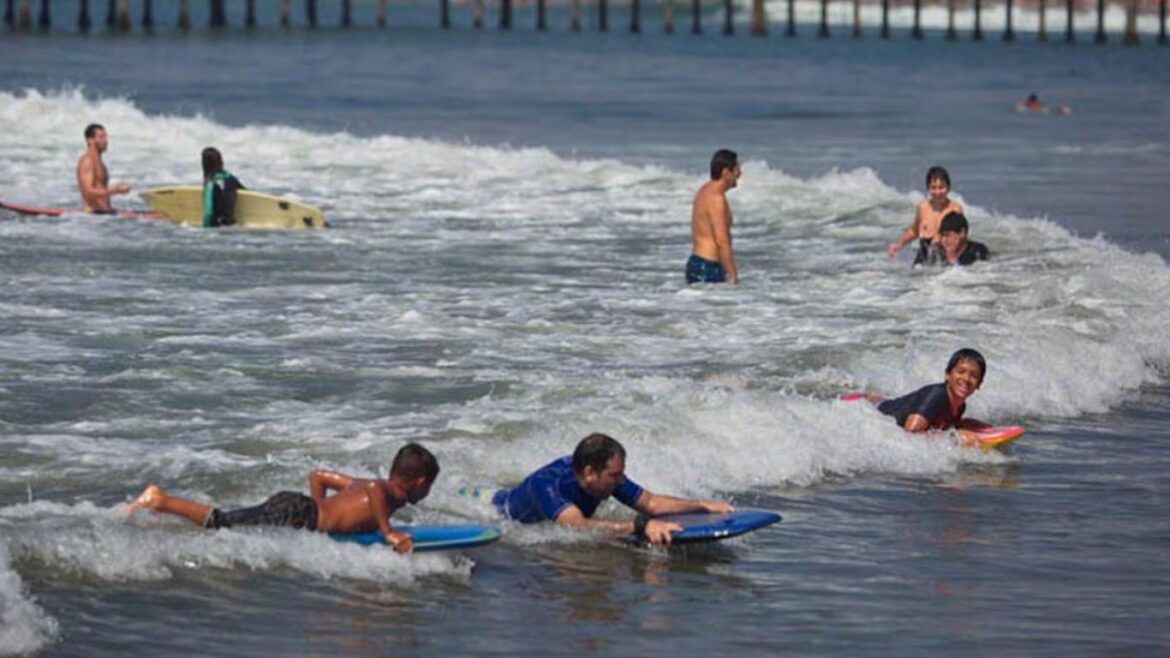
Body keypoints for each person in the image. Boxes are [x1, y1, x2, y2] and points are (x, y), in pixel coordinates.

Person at [127, 443, 439, 554]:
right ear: (420, 482)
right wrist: (388, 533)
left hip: (300, 508)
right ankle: (160, 500)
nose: (427, 494)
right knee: (222, 524)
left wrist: (318, 508)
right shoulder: (388, 491)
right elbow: (374, 489)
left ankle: (161, 505)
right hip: (299, 514)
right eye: (429, 488)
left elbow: (318, 475)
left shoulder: (366, 486)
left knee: (231, 524)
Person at [491, 433, 733, 545]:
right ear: (589, 472)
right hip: (497, 512)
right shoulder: (547, 485)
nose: (620, 481)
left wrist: (701, 505)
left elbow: (651, 503)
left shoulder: (606, 478)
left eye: (621, 473)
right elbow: (577, 525)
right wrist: (640, 525)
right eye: (614, 475)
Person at [876, 348, 993, 445]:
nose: (966, 379)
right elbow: (910, 435)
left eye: (974, 376)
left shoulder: (960, 406)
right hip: (876, 412)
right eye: (961, 371)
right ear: (947, 375)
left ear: (979, 384)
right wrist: (955, 438)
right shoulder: (936, 396)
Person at [886, 166, 963, 265]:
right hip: (923, 255)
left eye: (941, 187)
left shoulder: (955, 209)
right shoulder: (923, 207)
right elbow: (915, 230)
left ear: (948, 187)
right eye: (933, 188)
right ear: (928, 188)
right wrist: (898, 244)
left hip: (945, 259)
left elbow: (961, 237)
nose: (937, 192)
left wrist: (941, 238)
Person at [686, 149, 741, 284]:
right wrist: (733, 275)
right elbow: (721, 241)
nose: (739, 174)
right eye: (736, 170)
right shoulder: (716, 199)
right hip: (708, 266)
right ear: (725, 173)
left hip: (697, 262)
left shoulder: (704, 190)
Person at [76, 123, 131, 213]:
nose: (105, 140)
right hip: (92, 217)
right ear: (90, 140)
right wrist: (115, 190)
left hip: (104, 216)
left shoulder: (100, 163)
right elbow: (88, 192)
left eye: (106, 137)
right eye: (101, 137)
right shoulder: (87, 162)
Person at [201, 147, 245, 228]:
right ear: (221, 161)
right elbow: (246, 193)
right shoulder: (231, 178)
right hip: (232, 226)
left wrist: (204, 232)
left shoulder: (211, 183)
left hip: (218, 230)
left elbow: (208, 212)